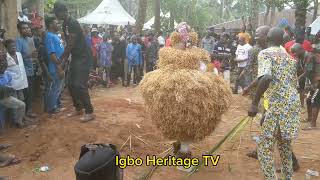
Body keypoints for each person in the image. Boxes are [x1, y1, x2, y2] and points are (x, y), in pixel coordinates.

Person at [248, 27, 300, 180]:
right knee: (284, 145)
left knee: (264, 148)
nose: (256, 37)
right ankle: (288, 177)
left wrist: (254, 103)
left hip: (277, 105)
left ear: (267, 37)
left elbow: (266, 77)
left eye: (258, 35)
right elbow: (293, 84)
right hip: (292, 105)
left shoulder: (265, 53)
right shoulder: (289, 58)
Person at [53, 2, 94, 122]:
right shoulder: (65, 24)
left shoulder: (73, 23)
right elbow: (69, 45)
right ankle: (78, 108)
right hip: (76, 56)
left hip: (84, 56)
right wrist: (65, 59)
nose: (56, 16)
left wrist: (61, 60)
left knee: (79, 84)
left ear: (62, 12)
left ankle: (89, 111)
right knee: (70, 83)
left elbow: (70, 44)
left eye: (56, 13)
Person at [292, 44, 320, 129]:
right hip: (313, 81)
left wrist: (296, 80)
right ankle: (309, 118)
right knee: (308, 99)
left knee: (315, 100)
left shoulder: (309, 57)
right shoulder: (302, 58)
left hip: (318, 81)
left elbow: (307, 72)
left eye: (295, 52)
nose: (294, 54)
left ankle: (313, 125)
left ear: (301, 49)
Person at [15, 21, 37, 118]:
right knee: (25, 93)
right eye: (24, 28)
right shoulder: (18, 41)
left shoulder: (30, 40)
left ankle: (29, 111)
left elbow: (34, 53)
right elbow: (17, 57)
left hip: (32, 69)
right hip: (23, 72)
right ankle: (25, 113)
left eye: (28, 27)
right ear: (19, 30)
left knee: (31, 92)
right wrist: (30, 55)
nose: (27, 29)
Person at [44, 17, 65, 115]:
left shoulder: (54, 35)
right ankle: (51, 108)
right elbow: (52, 54)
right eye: (56, 23)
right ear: (50, 25)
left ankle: (55, 105)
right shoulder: (49, 36)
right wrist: (59, 68)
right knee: (54, 88)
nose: (58, 24)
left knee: (58, 88)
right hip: (55, 68)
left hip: (60, 65)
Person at [0, 52, 26, 128]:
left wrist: (7, 89)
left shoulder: (7, 74)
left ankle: (18, 122)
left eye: (3, 62)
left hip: (5, 98)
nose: (2, 64)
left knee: (22, 105)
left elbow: (10, 88)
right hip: (3, 97)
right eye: (1, 62)